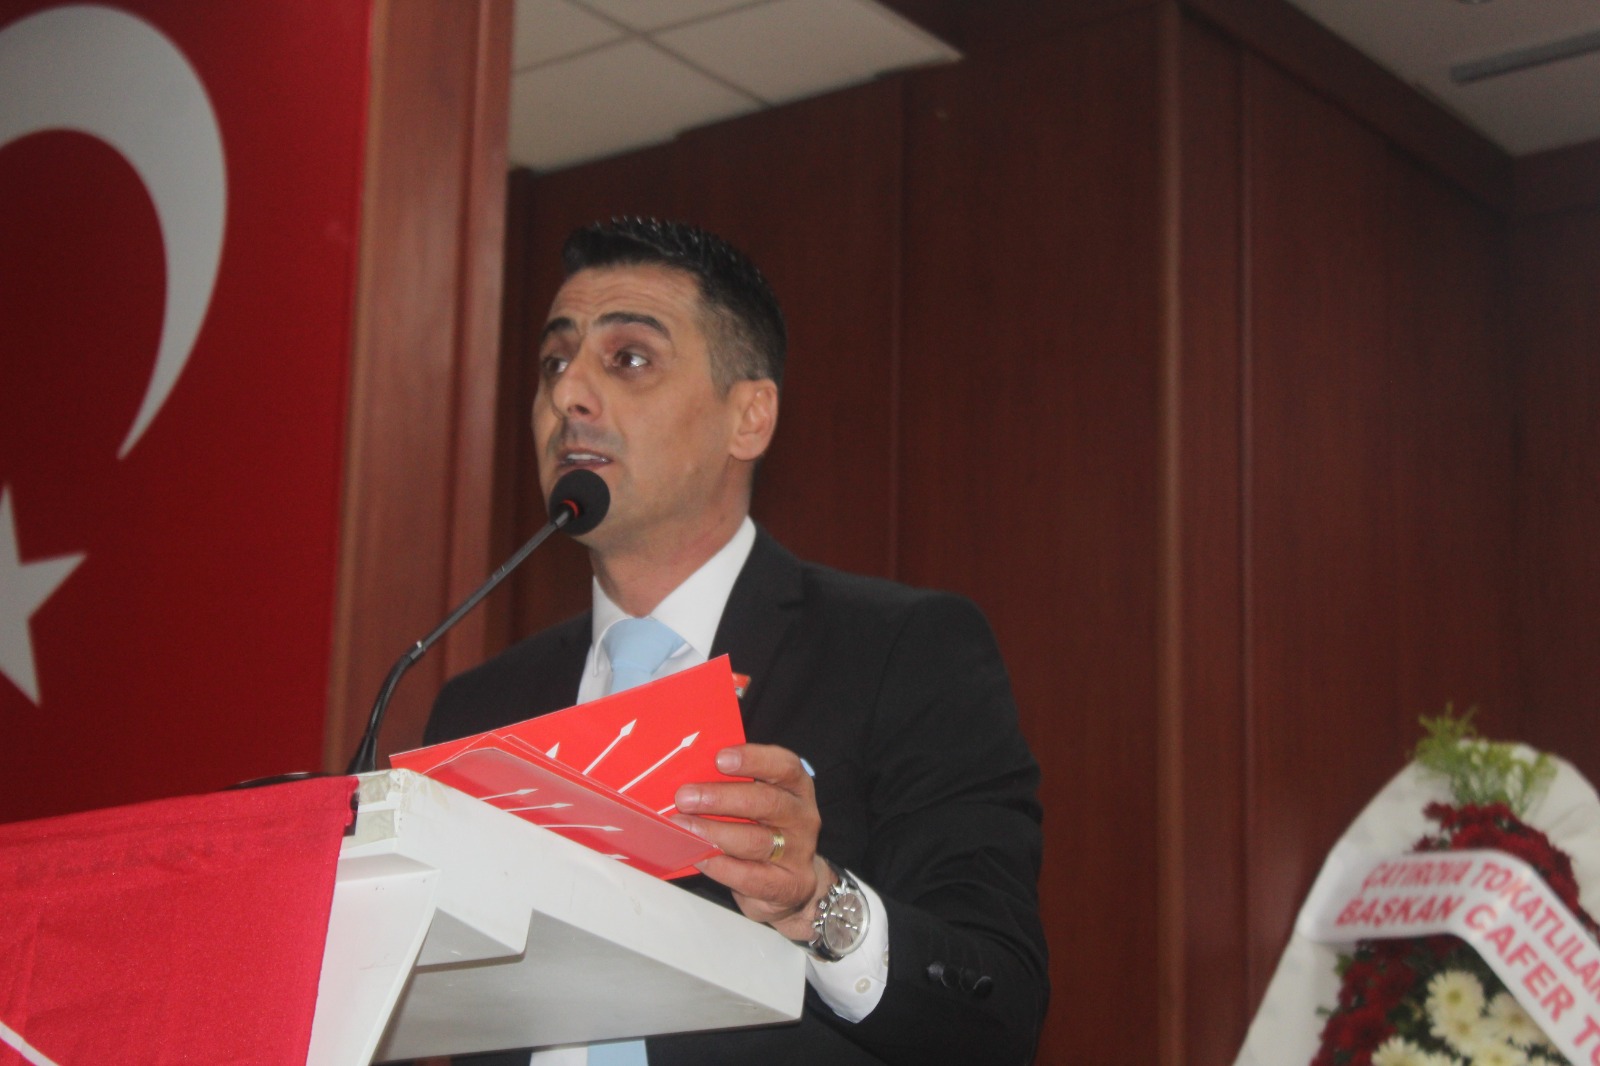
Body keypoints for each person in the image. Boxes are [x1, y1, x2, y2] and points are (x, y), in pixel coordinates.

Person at [426, 218, 1048, 1065]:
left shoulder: (901, 652)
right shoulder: (477, 709)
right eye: (554, 362)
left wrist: (818, 905)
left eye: (628, 359)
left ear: (749, 418)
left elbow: (998, 1011)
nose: (569, 394)